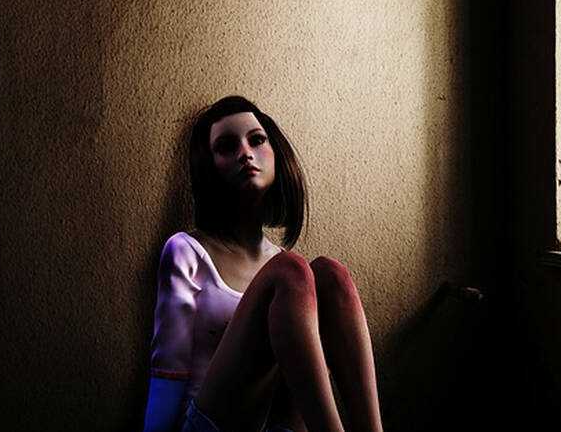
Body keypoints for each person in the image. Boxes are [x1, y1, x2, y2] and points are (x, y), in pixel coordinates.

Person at [143, 95, 384, 432]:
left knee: (331, 275)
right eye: (227, 147)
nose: (245, 153)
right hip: (210, 425)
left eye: (256, 140)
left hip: (278, 422)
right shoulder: (187, 251)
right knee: (291, 272)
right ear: (209, 167)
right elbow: (168, 372)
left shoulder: (288, 272)